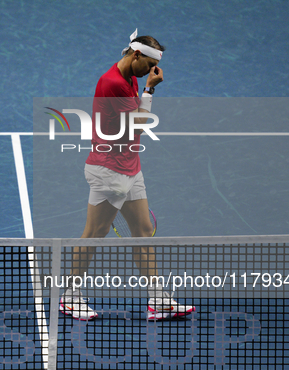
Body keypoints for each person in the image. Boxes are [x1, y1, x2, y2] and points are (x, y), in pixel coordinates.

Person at [59, 28, 195, 321]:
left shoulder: (129, 75)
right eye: (148, 65)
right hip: (109, 171)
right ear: (136, 55)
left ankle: (158, 301)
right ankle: (70, 297)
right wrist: (150, 90)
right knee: (95, 234)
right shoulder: (112, 84)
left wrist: (143, 85)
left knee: (144, 231)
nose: (151, 71)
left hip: (130, 168)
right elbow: (137, 126)